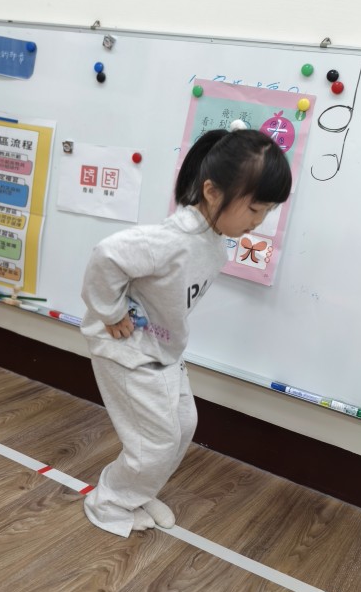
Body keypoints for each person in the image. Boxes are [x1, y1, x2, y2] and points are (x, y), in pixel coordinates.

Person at [80, 126, 293, 537]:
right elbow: (106, 256)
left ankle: (136, 492)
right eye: (254, 209)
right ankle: (109, 504)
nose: (259, 222)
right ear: (211, 192)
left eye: (266, 211)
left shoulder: (211, 238)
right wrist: (110, 311)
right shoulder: (172, 238)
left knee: (184, 425)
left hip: (163, 349)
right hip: (128, 351)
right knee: (155, 442)